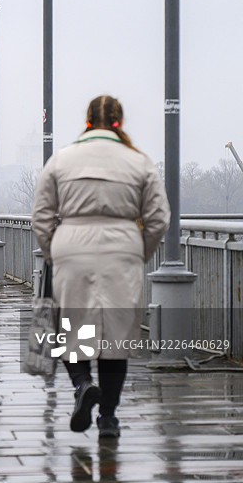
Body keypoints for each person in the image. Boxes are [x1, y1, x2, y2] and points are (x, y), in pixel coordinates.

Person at [32, 95, 170, 439]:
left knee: (70, 328)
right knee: (116, 337)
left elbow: (41, 216)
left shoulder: (62, 160)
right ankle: (107, 418)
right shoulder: (139, 162)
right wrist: (139, 253)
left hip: (71, 248)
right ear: (119, 122)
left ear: (87, 121)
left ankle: (81, 384)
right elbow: (158, 218)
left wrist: (54, 253)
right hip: (121, 249)